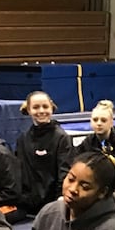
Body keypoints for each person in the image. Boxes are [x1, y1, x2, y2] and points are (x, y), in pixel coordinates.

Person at [12, 90, 74, 220]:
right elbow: (19, 172)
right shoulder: (23, 139)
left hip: (53, 204)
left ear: (51, 108)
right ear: (29, 110)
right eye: (35, 107)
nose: (41, 111)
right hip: (27, 205)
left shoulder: (62, 138)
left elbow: (64, 172)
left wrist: (59, 201)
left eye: (45, 107)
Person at [73, 101, 115, 214]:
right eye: (95, 120)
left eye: (103, 120)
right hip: (102, 182)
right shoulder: (89, 142)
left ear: (111, 122)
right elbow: (76, 162)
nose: (99, 123)